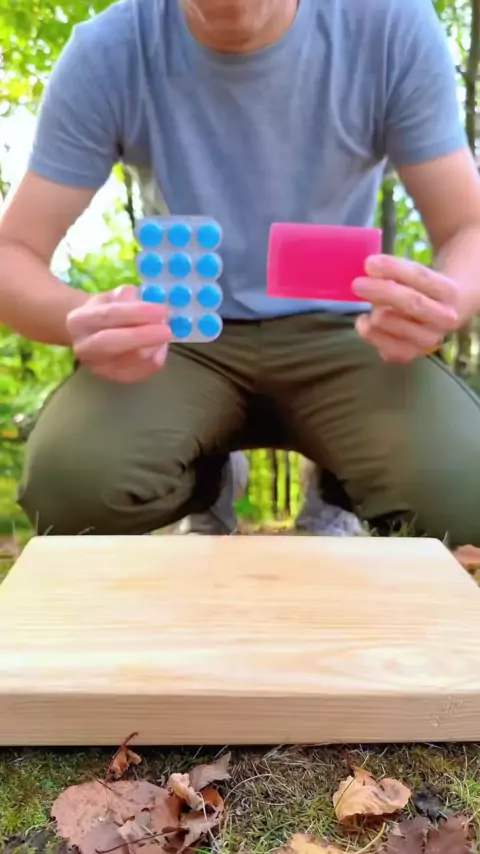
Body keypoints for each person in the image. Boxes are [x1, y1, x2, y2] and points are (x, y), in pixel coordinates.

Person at [1, 0, 480, 546]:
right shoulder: (109, 50)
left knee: (466, 500)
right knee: (69, 490)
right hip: (181, 336)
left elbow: (468, 228)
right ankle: (205, 476)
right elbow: (14, 251)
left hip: (347, 332)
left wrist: (448, 298)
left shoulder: (390, 25)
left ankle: (341, 481)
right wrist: (81, 317)